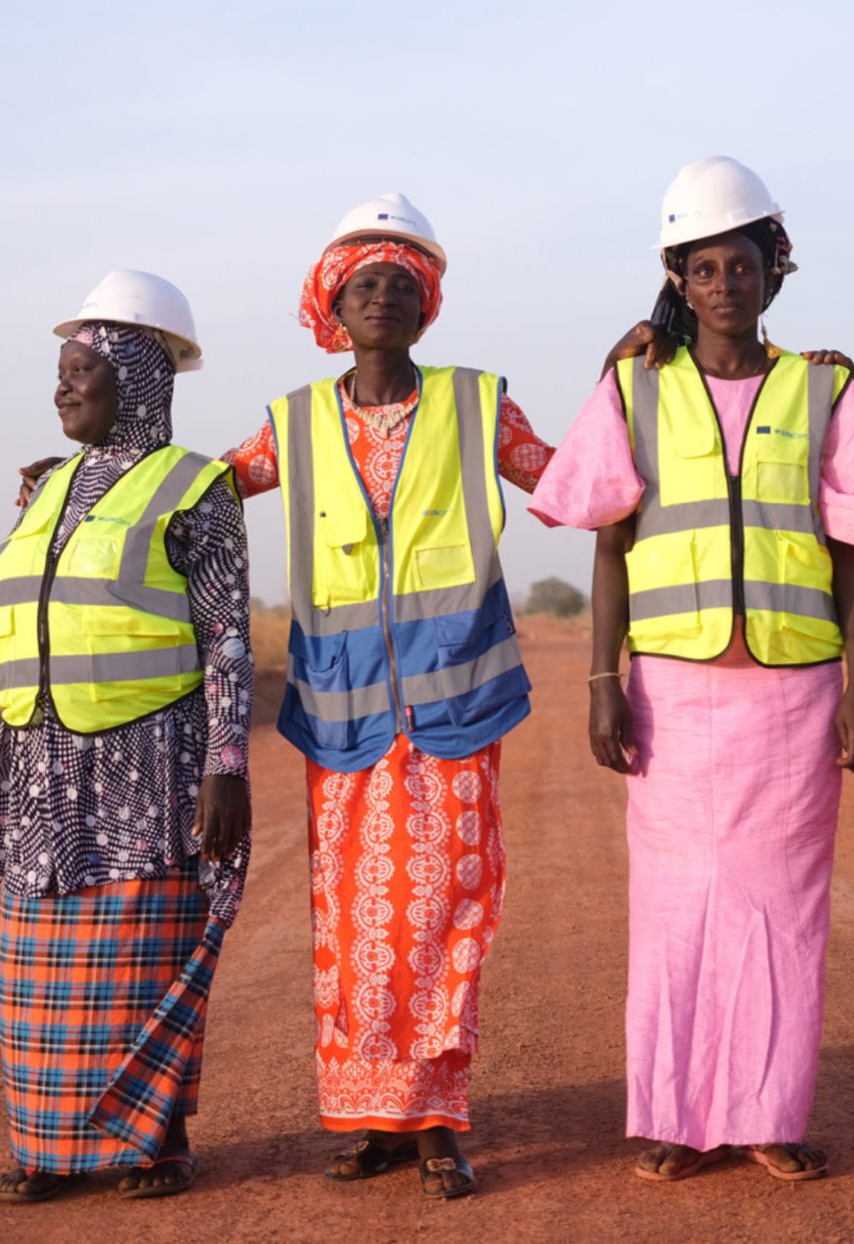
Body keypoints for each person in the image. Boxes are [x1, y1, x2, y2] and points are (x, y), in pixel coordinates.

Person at [529, 157, 854, 1184]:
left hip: (794, 690)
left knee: (782, 907)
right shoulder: (633, 384)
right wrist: (599, 678)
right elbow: (608, 541)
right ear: (680, 279)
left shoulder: (824, 385)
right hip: (672, 689)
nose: (724, 284)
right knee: (674, 907)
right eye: (703, 268)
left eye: (741, 263)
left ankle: (768, 1114)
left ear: (773, 268)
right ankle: (673, 1115)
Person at [225, 193, 553, 1201]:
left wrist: (646, 374)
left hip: (455, 712)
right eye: (363, 283)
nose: (380, 296)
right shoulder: (294, 422)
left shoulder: (476, 403)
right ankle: (370, 1112)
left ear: (427, 305)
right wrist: (88, 475)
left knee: (446, 912)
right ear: (332, 303)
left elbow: (571, 477)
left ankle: (438, 1119)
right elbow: (203, 487)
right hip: (345, 716)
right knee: (357, 924)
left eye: (400, 284)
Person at [0, 270, 253, 1204]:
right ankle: (49, 1145)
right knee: (38, 962)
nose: (63, 386)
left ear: (136, 377)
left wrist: (226, 766)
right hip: (43, 766)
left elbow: (229, 639)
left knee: (140, 956)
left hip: (148, 765)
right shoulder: (44, 490)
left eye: (82, 368)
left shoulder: (196, 487)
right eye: (59, 370)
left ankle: (156, 1140)